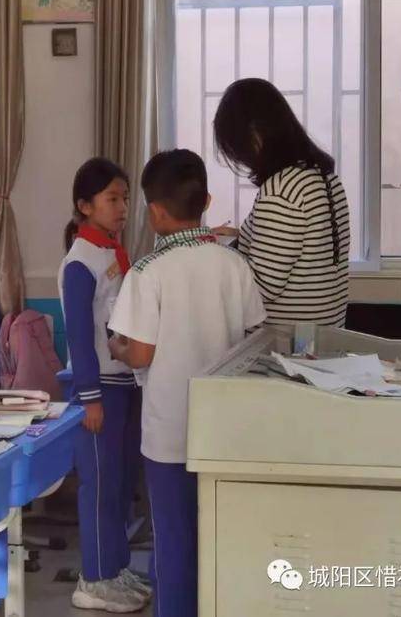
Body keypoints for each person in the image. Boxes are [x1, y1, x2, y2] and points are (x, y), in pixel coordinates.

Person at [108, 149, 266, 617]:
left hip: (171, 434)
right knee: (221, 537)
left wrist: (117, 347)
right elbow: (255, 335)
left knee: (174, 540)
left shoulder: (147, 272)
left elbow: (139, 353)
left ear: (154, 211)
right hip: (226, 431)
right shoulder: (233, 265)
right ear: (207, 200)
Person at [59, 158, 149, 613]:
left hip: (125, 381)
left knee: (118, 483)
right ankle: (93, 578)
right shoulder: (80, 262)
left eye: (126, 198)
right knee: (97, 486)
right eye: (113, 199)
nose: (123, 208)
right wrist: (89, 396)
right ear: (84, 205)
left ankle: (115, 567)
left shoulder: (113, 251)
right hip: (98, 390)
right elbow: (78, 334)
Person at [212, 77, 350, 326]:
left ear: (255, 133)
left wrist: (215, 260)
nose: (240, 157)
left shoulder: (281, 191)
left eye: (236, 145)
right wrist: (242, 237)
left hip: (285, 346)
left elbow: (260, 289)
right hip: (325, 335)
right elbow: (302, 249)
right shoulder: (323, 177)